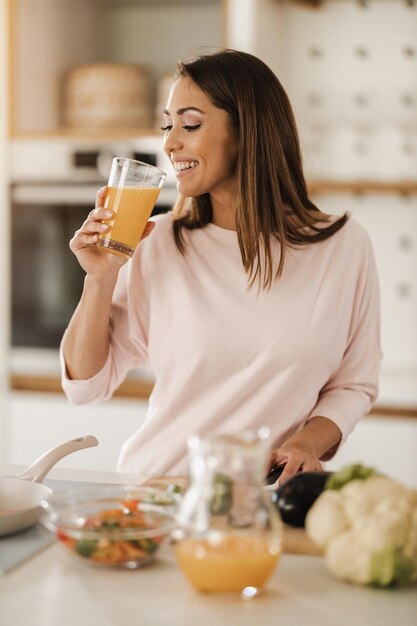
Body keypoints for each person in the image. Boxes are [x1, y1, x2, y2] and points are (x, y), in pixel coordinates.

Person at [61, 49, 382, 483]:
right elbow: (84, 386)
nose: (170, 142)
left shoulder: (343, 247)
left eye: (190, 124)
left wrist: (306, 443)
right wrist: (100, 278)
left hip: (264, 501)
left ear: (248, 131)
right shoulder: (154, 242)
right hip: (160, 491)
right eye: (167, 124)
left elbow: (352, 384)